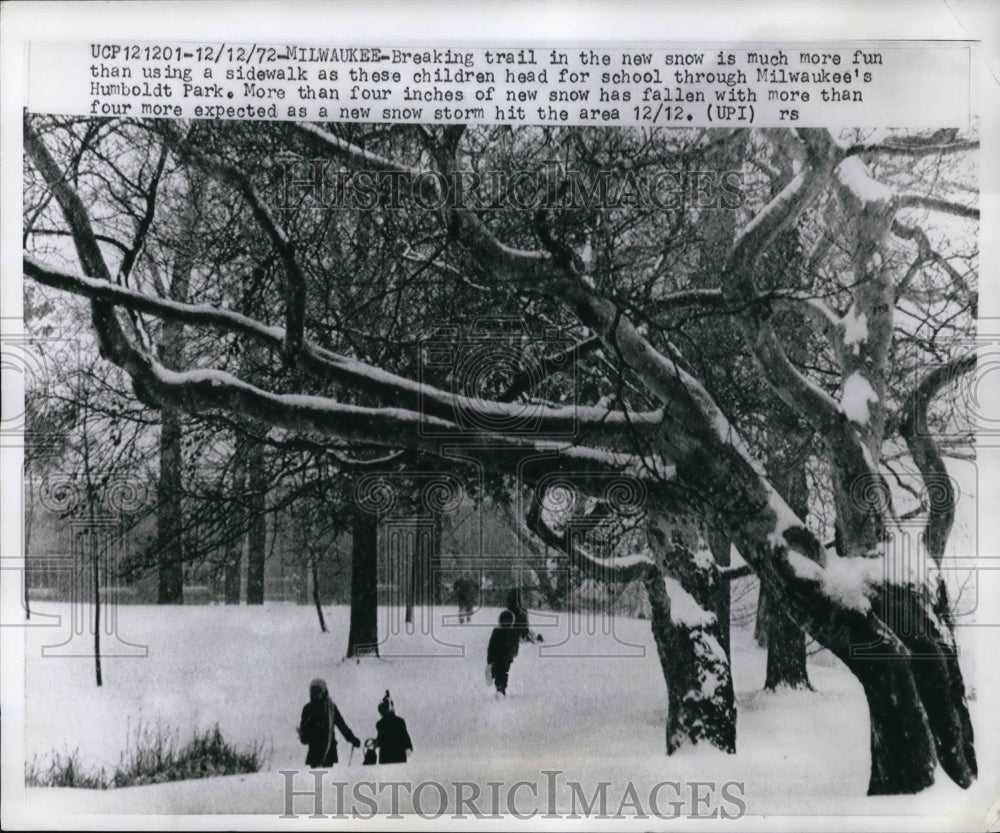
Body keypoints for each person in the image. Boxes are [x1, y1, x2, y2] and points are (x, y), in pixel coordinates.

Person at [297, 678, 360, 767]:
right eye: (313, 691)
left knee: (327, 777)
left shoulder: (331, 708)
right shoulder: (308, 709)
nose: (315, 694)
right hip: (315, 750)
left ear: (323, 692)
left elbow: (341, 725)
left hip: (329, 750)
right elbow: (304, 734)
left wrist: (352, 739)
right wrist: (312, 724)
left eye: (318, 691)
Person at [486, 609, 520, 696]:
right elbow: (491, 645)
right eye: (504, 621)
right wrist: (489, 659)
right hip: (496, 657)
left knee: (504, 673)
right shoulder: (497, 631)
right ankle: (499, 685)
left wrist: (514, 651)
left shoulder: (513, 632)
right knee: (496, 672)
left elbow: (515, 643)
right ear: (501, 621)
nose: (506, 623)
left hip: (507, 658)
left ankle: (501, 687)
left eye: (508, 621)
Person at [374, 690, 413, 764]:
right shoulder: (399, 721)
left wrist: (375, 744)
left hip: (385, 756)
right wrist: (408, 747)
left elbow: (380, 740)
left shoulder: (380, 724)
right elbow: (405, 736)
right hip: (399, 755)